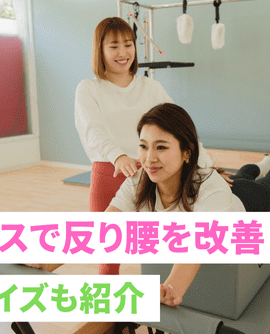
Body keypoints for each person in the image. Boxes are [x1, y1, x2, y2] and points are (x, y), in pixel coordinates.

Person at [106, 103, 270, 306]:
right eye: (143, 146)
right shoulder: (139, 179)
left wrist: (169, 290)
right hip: (222, 195)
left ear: (187, 152)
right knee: (243, 174)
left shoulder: (210, 185)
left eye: (161, 147)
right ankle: (262, 163)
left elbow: (197, 246)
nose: (149, 158)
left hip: (245, 202)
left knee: (268, 185)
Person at [73, 17, 217, 275]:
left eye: (128, 44)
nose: (123, 53)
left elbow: (182, 131)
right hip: (110, 172)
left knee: (158, 250)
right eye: (114, 46)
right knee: (108, 254)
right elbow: (92, 131)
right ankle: (106, 312)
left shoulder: (151, 87)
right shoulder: (88, 89)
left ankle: (161, 302)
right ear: (100, 50)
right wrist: (118, 157)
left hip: (154, 174)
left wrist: (208, 169)